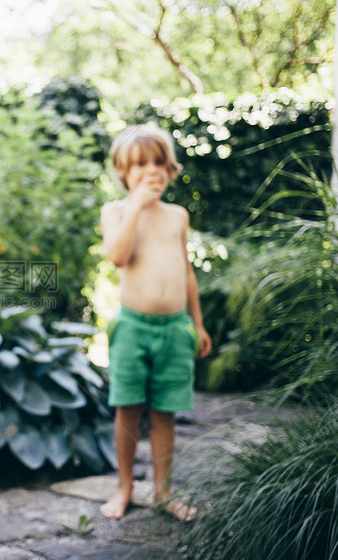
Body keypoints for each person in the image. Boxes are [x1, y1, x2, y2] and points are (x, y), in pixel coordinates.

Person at [99, 124, 211, 521]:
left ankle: (162, 492)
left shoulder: (177, 215)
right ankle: (125, 487)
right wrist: (134, 206)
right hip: (132, 328)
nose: (153, 172)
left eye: (159, 163)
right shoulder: (116, 212)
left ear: (171, 169)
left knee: (165, 413)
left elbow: (187, 272)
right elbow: (117, 255)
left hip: (175, 329)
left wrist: (197, 324)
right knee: (128, 408)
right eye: (141, 165)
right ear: (123, 174)